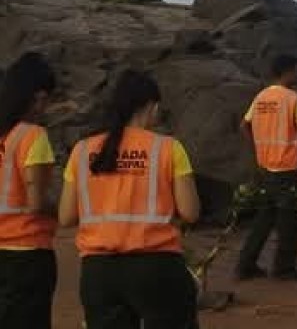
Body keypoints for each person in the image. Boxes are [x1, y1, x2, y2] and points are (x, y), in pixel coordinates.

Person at [58, 69, 201, 329]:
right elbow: (190, 212)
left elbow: (66, 217)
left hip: (98, 271)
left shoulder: (82, 151)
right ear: (151, 106)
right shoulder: (168, 148)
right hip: (156, 267)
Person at [235, 54, 297, 281]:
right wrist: (295, 144)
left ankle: (246, 264)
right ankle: (284, 269)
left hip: (266, 165)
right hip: (286, 166)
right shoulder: (291, 98)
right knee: (289, 220)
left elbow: (243, 125)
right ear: (286, 72)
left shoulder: (261, 97)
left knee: (265, 217)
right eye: (296, 70)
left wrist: (258, 148)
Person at [0, 53, 58, 329]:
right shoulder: (33, 136)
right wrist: (66, 206)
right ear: (36, 97)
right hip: (27, 251)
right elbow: (36, 203)